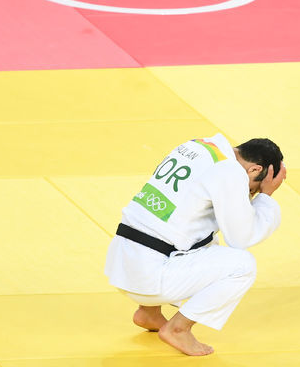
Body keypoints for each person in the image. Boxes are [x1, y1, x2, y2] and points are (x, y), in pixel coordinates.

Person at [104, 133, 286, 356]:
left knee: (197, 233)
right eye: (253, 188)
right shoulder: (230, 171)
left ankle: (148, 312)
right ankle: (178, 329)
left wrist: (252, 191)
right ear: (255, 169)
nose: (250, 193)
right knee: (243, 266)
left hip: (120, 265)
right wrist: (266, 196)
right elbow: (241, 238)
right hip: (148, 278)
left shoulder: (198, 147)